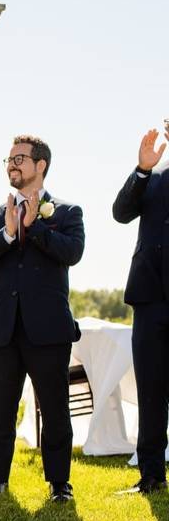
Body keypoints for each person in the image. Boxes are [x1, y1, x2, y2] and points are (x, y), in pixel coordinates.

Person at [0, 135, 84, 502]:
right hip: (1, 330)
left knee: (55, 411)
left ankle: (59, 484)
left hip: (48, 331)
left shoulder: (66, 212)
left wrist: (36, 228)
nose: (12, 164)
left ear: (40, 165)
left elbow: (73, 252)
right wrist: (9, 232)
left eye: (20, 158)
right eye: (9, 159)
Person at [112, 122, 169, 494]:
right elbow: (120, 212)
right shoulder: (152, 177)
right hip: (149, 297)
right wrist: (142, 169)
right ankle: (150, 475)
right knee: (150, 389)